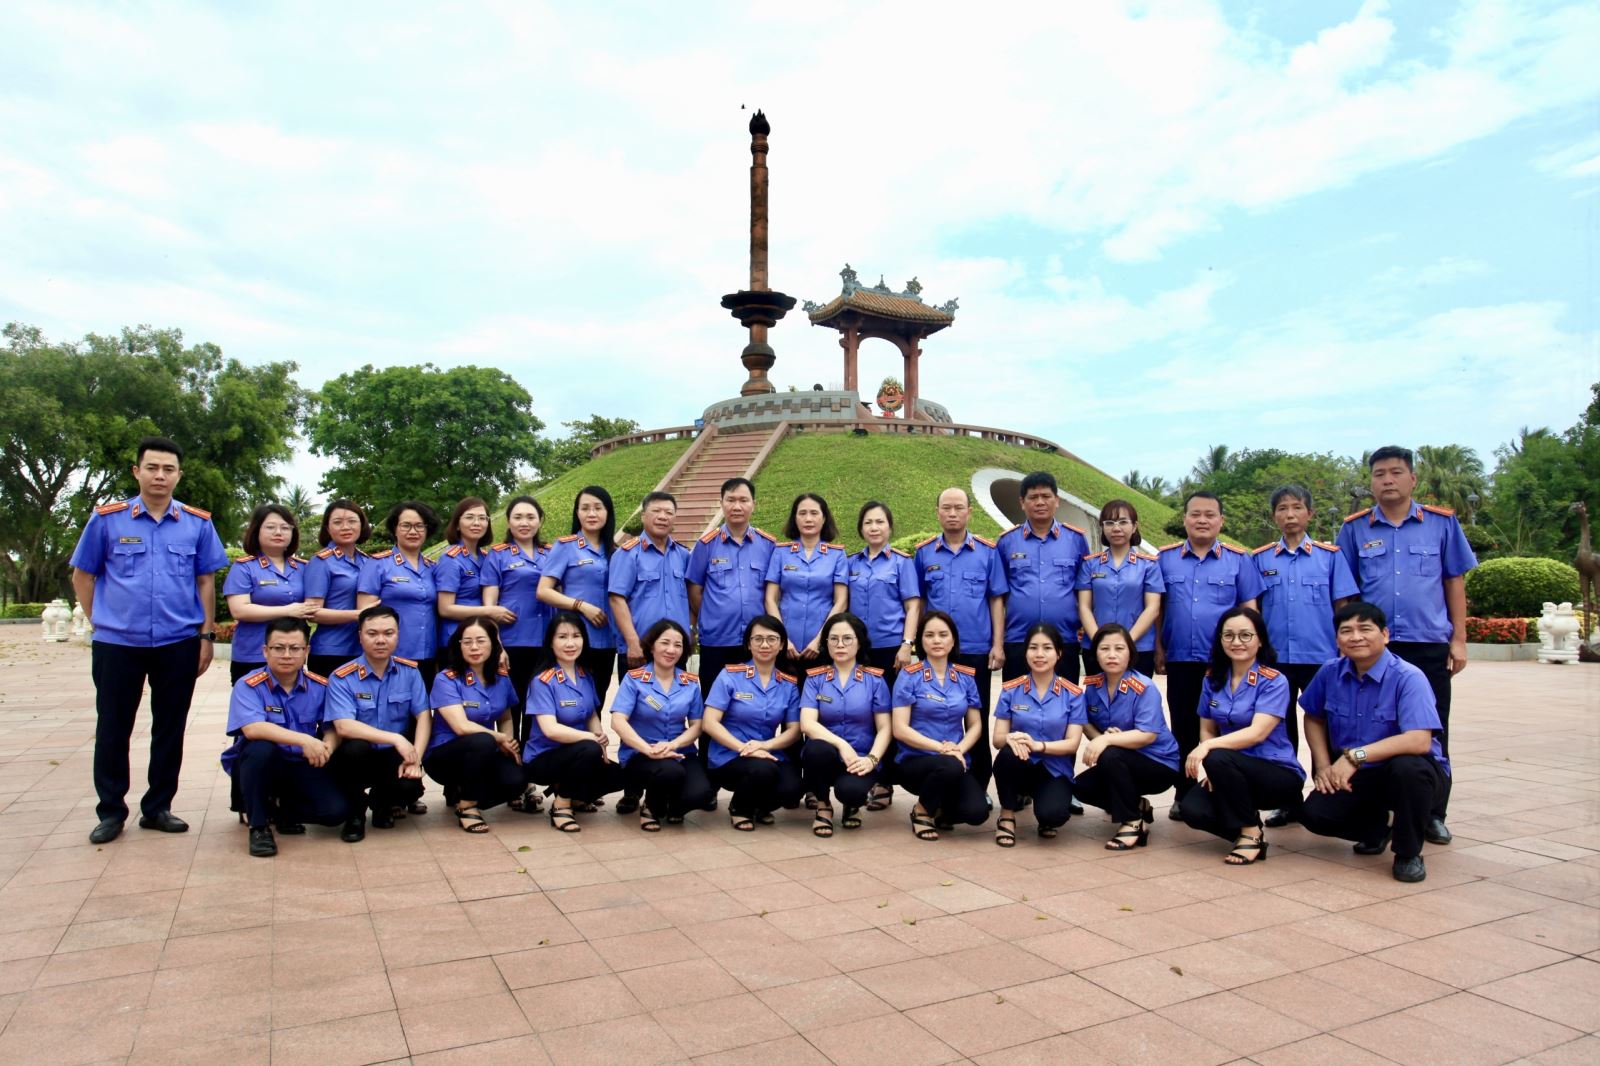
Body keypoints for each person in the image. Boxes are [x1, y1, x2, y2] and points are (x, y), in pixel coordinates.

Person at [70, 436, 230, 844]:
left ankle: (158, 807)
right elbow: (83, 576)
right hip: (118, 644)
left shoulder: (197, 523)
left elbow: (205, 581)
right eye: (152, 467)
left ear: (179, 475)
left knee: (170, 728)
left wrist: (206, 634)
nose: (160, 475)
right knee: (113, 727)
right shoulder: (107, 519)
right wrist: (99, 622)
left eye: (168, 469)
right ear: (137, 471)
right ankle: (111, 811)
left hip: (178, 641)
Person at [1336, 446, 1476, 846]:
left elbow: (1453, 582)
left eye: (1396, 472)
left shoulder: (1441, 524)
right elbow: (1345, 592)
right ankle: (1373, 816)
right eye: (1379, 474)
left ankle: (1432, 813)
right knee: (1367, 727)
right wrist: (1345, 641)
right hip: (1372, 648)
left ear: (1413, 479)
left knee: (1433, 728)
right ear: (1371, 482)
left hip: (1426, 644)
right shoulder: (1355, 529)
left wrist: (1459, 639)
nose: (1387, 480)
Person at [1298, 601, 1451, 883]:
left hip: (1415, 773)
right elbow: (1313, 717)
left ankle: (1408, 853)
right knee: (1314, 814)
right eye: (1346, 631)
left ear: (1385, 634)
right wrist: (1322, 766)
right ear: (1337, 639)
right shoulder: (1330, 672)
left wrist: (1354, 756)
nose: (1355, 637)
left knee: (1408, 769)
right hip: (1361, 775)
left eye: (1365, 629)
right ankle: (1381, 827)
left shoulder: (1408, 677)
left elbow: (1419, 741)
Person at [1253, 485, 1357, 828]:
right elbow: (1254, 611)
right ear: (1274, 516)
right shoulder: (1261, 559)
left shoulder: (1330, 557)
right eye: (1282, 508)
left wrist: (1344, 651)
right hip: (1276, 660)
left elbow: (1343, 608)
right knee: (1279, 731)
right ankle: (1288, 801)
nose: (1290, 515)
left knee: (1326, 727)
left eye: (1297, 507)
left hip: (1321, 658)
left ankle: (1328, 796)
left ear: (1309, 513)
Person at [1155, 491, 1262, 820]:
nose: (1202, 520)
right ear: (1184, 518)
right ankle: (1184, 792)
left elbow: (1250, 610)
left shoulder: (1239, 560)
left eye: (1210, 514)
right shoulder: (1165, 559)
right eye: (1195, 514)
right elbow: (1158, 609)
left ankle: (1231, 791)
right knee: (1183, 726)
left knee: (1230, 724)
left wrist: (1249, 654)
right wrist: (1159, 647)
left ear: (1221, 521)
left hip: (1225, 661)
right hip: (1181, 659)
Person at [1178, 607, 1305, 864]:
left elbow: (1257, 734)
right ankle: (1251, 824)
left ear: (1260, 640)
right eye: (1229, 635)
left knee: (1217, 756)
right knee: (1192, 810)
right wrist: (1217, 768)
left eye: (1246, 635)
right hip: (1229, 767)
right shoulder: (1212, 679)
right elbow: (1207, 729)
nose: (1237, 642)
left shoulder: (1274, 680)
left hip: (1275, 772)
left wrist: (1210, 752)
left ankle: (1249, 833)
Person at [220, 618, 348, 857]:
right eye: (278, 648)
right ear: (265, 651)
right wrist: (304, 740)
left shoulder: (320, 686)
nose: (287, 655)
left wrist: (327, 748)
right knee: (261, 748)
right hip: (261, 764)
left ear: (306, 651)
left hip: (301, 763)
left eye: (295, 648)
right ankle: (259, 827)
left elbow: (332, 727)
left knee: (335, 813)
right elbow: (253, 729)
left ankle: (280, 809)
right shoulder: (248, 685)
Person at [913, 488, 1008, 784]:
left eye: (958, 507)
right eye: (946, 508)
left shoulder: (987, 552)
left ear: (969, 512)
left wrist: (997, 644)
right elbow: (918, 601)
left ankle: (978, 783)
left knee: (976, 715)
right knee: (935, 715)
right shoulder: (924, 553)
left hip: (975, 648)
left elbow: (996, 600)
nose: (952, 513)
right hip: (936, 651)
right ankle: (942, 777)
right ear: (937, 512)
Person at [326, 605, 429, 842]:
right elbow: (343, 726)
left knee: (410, 788)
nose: (381, 640)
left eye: (388, 633)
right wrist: (396, 738)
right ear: (360, 636)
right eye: (372, 634)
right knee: (355, 749)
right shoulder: (343, 677)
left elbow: (424, 716)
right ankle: (355, 814)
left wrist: (416, 758)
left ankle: (382, 804)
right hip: (356, 757)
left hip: (391, 755)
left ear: (398, 635)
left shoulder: (410, 672)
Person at [1074, 624, 1182, 851]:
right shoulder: (1093, 686)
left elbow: (1147, 735)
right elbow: (1085, 722)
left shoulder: (1144, 687)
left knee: (1111, 754)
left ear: (1130, 653)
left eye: (1119, 648)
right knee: (1081, 787)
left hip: (1158, 763)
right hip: (1120, 760)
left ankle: (1132, 822)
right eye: (1104, 649)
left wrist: (1107, 741)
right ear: (1095, 654)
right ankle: (1137, 805)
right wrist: (1102, 738)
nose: (1111, 655)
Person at [846, 500, 920, 812]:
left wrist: (907, 644)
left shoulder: (902, 563)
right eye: (868, 522)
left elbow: (913, 606)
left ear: (889, 527)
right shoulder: (851, 563)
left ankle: (885, 782)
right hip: (857, 651)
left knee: (887, 714)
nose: (874, 528)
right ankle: (861, 774)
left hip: (891, 650)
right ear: (860, 528)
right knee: (862, 713)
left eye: (880, 522)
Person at [522, 611, 624, 833]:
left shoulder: (585, 675)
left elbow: (592, 714)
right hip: (544, 757)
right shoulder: (542, 681)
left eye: (576, 636)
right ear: (551, 642)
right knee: (588, 749)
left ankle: (573, 792)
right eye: (562, 637)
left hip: (578, 752)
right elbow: (550, 730)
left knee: (619, 775)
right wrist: (592, 738)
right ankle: (561, 805)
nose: (570, 643)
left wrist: (602, 747)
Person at [892, 611, 990, 840]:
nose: (937, 640)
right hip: (916, 761)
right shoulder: (909, 676)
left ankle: (940, 807)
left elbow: (976, 725)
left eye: (943, 635)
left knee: (977, 813)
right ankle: (921, 810)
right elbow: (900, 729)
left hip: (955, 760)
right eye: (929, 635)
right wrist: (941, 749)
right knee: (949, 766)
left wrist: (959, 749)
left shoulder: (965, 677)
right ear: (920, 641)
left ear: (953, 640)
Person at [702, 615, 804, 830]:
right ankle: (740, 808)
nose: (764, 645)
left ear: (782, 644)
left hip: (767, 753)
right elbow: (709, 723)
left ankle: (759, 806)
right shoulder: (730, 676)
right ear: (748, 644)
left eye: (771, 639)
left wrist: (765, 746)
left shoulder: (788, 684)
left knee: (793, 790)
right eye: (758, 639)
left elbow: (795, 730)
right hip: (729, 755)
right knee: (763, 771)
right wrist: (744, 748)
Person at [424, 619, 526, 832]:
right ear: (459, 645)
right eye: (467, 642)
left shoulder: (501, 678)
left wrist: (508, 743)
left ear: (493, 644)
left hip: (484, 752)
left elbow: (506, 718)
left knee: (517, 781)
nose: (474, 647)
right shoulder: (446, 679)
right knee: (483, 741)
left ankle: (467, 791)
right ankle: (467, 806)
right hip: (445, 756)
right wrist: (499, 738)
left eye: (481, 641)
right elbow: (461, 727)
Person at [610, 619, 712, 830]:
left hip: (679, 751)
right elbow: (618, 721)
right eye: (665, 643)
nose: (671, 650)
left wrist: (673, 745)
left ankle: (670, 804)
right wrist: (648, 749)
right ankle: (651, 807)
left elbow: (697, 725)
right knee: (669, 771)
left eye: (678, 645)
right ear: (651, 646)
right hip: (641, 753)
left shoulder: (690, 683)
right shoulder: (634, 679)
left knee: (702, 794)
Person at [991, 622, 1086, 847]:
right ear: (1025, 653)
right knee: (1007, 755)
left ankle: (1044, 807)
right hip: (1021, 762)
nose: (1039, 654)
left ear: (1059, 653)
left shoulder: (1073, 694)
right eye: (1033, 648)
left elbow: (1072, 744)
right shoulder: (1011, 690)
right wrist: (1010, 738)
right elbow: (997, 739)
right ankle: (1007, 813)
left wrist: (1039, 745)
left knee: (1053, 816)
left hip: (1054, 768)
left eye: (1047, 648)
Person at [799, 612, 891, 837]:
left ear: (859, 642)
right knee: (815, 749)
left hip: (860, 758)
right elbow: (807, 724)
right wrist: (841, 745)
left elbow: (885, 728)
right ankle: (823, 805)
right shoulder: (815, 679)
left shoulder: (875, 680)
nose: (840, 644)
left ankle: (852, 806)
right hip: (827, 755)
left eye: (847, 638)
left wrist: (872, 759)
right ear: (826, 643)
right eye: (834, 639)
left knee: (851, 792)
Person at [686, 477, 779, 695]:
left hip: (758, 642)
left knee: (755, 700)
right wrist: (714, 615)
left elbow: (775, 591)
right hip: (717, 641)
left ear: (753, 504)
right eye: (731, 500)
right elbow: (695, 590)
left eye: (743, 500)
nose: (737, 506)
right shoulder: (706, 545)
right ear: (722, 503)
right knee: (713, 700)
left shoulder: (768, 545)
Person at [997, 472, 1092, 685]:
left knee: (1065, 699)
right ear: (1022, 503)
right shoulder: (1007, 542)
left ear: (1056, 500)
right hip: (1018, 641)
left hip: (1064, 640)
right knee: (1017, 700)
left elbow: (1085, 590)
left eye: (1046, 496)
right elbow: (998, 595)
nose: (1040, 502)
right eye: (1033, 497)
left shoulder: (1076, 540)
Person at [537, 486, 620, 699]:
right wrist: (581, 605)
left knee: (597, 699)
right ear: (577, 513)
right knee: (572, 699)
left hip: (608, 638)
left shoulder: (616, 551)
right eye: (585, 508)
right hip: (574, 638)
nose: (592, 514)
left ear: (608, 512)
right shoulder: (566, 547)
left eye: (598, 508)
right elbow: (544, 591)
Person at [481, 495, 550, 741]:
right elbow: (489, 606)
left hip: (545, 640)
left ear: (540, 521)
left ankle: (532, 758)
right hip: (512, 641)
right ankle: (512, 755)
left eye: (530, 517)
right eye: (518, 517)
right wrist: (497, 645)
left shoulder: (550, 553)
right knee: (512, 704)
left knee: (539, 704)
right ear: (508, 522)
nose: (524, 522)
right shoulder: (498, 555)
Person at [224, 503, 314, 683]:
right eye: (271, 527)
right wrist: (288, 610)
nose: (278, 532)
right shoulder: (244, 567)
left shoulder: (304, 568)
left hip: (292, 654)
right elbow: (239, 610)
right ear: (256, 530)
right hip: (253, 653)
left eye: (285, 528)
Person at [357, 501, 442, 689]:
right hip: (391, 655)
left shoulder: (433, 568)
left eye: (419, 526)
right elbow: (364, 614)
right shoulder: (378, 564)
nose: (413, 531)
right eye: (406, 525)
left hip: (428, 655)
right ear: (395, 529)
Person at [1076, 499, 1163, 677]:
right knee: (1098, 695)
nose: (1116, 528)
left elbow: (1153, 608)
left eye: (1123, 522)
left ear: (1134, 526)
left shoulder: (1149, 566)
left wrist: (1126, 643)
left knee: (1136, 694)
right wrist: (1100, 643)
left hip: (1138, 648)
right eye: (1109, 523)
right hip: (1096, 648)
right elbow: (1084, 607)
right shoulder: (1090, 564)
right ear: (1102, 527)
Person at [764, 493, 850, 672]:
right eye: (802, 513)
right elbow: (770, 599)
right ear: (794, 518)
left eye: (814, 513)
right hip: (786, 644)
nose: (808, 519)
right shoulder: (781, 553)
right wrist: (782, 639)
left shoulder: (836, 555)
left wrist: (820, 640)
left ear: (824, 518)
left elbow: (841, 601)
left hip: (823, 644)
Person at [609, 491, 692, 672]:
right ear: (643, 516)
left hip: (674, 651)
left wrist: (689, 633)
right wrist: (632, 642)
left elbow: (692, 598)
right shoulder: (627, 554)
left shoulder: (683, 555)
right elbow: (616, 599)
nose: (663, 517)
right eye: (656, 511)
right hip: (640, 649)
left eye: (669, 512)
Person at [304, 499, 374, 680]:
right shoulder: (321, 562)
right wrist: (357, 615)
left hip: (364, 649)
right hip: (330, 650)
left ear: (362, 525)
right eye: (337, 522)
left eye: (352, 521)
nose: (345, 527)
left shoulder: (368, 561)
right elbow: (312, 612)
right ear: (327, 528)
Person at [435, 496, 515, 648]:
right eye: (469, 517)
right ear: (457, 525)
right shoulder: (450, 560)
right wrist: (488, 611)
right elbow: (445, 609)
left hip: (482, 636)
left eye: (482, 518)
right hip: (457, 639)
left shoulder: (487, 557)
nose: (477, 523)